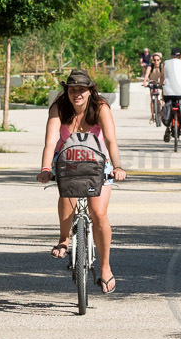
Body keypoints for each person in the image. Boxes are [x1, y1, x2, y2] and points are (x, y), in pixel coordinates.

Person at [38, 68, 126, 293]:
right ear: (66, 90)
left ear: (90, 91)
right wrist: (46, 168)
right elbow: (50, 142)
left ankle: (105, 268)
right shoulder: (59, 108)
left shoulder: (100, 108)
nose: (77, 93)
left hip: (97, 162)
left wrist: (117, 166)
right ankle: (64, 239)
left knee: (98, 214)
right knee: (66, 192)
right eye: (72, 89)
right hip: (67, 161)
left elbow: (110, 140)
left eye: (82, 89)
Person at [161, 47, 181, 140]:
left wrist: (160, 84)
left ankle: (167, 127)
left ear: (171, 55)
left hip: (168, 92)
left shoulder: (165, 63)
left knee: (166, 102)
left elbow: (162, 76)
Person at [146, 51, 164, 124]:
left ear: (160, 60)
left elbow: (164, 75)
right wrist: (145, 82)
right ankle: (152, 116)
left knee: (164, 97)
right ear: (152, 60)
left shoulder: (162, 67)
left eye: (158, 60)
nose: (156, 61)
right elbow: (147, 74)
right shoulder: (150, 67)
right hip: (152, 83)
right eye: (154, 60)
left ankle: (162, 110)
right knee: (152, 98)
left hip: (161, 83)